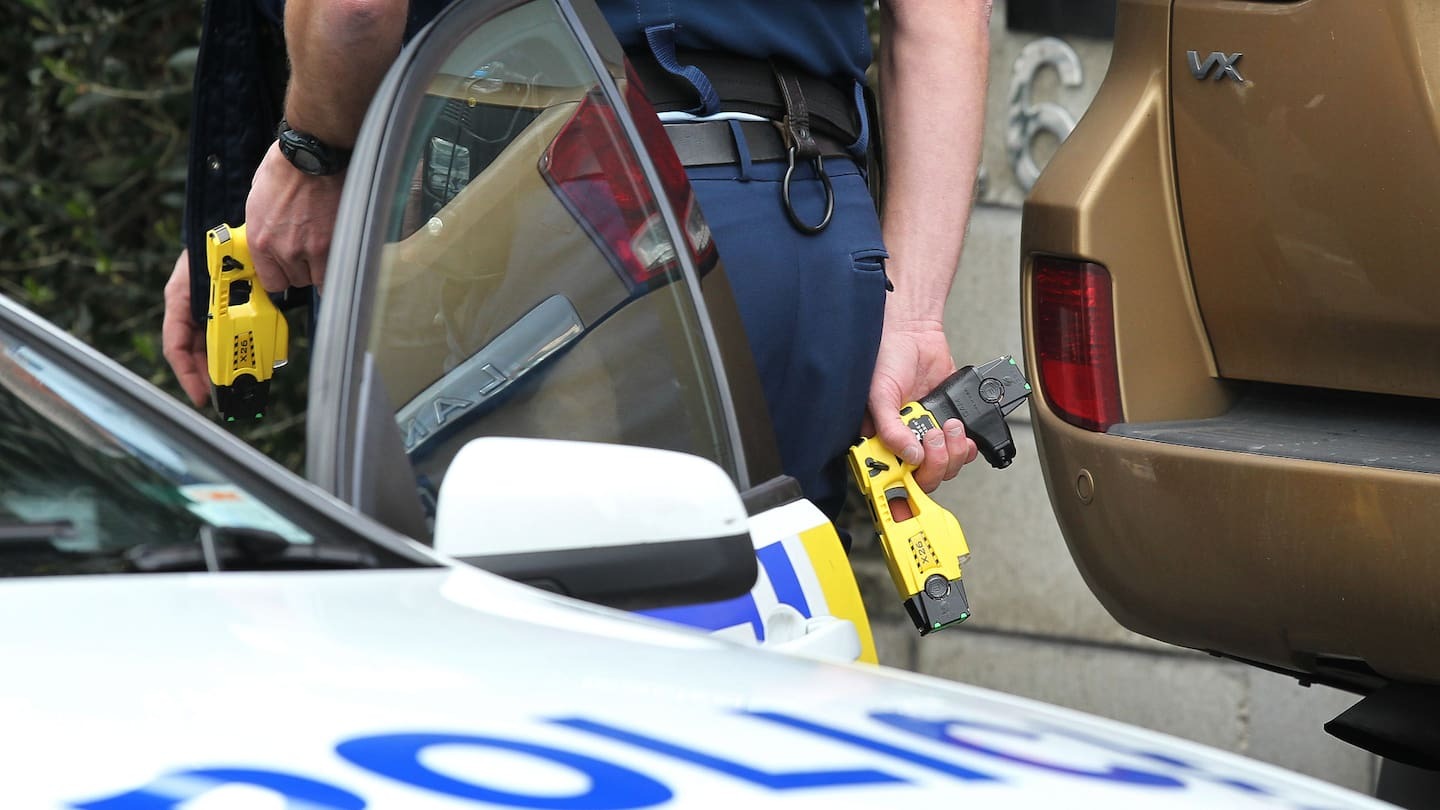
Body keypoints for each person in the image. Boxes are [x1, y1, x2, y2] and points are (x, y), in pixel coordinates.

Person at [164, 0, 991, 523]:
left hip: (559, 211)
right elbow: (943, 16)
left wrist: (312, 157)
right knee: (764, 630)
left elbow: (354, 13)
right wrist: (913, 313)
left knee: (531, 655)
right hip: (805, 223)